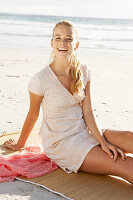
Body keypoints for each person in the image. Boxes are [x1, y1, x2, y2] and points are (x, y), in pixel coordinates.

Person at [3, 20, 133, 184]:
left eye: (68, 39)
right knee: (125, 164)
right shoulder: (40, 79)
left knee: (130, 137)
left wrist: (103, 142)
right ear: (52, 43)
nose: (62, 42)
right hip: (62, 143)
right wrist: (20, 144)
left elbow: (88, 112)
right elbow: (32, 115)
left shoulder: (84, 71)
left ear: (76, 44)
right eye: (58, 38)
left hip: (84, 130)